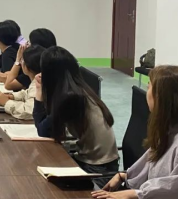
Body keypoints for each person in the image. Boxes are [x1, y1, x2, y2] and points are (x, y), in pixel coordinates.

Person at [92, 66, 178, 199]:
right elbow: (150, 167)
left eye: (149, 87)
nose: (147, 93)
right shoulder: (168, 132)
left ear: (161, 97)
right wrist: (124, 176)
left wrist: (135, 194)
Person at [34, 46, 119, 183]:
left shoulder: (70, 97)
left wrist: (39, 93)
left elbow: (43, 131)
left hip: (98, 171)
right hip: (96, 162)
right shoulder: (78, 89)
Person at [0, 45, 45, 120]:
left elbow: (28, 112)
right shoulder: (39, 80)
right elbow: (26, 93)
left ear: (26, 66)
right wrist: (11, 96)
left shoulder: (39, 84)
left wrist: (6, 102)